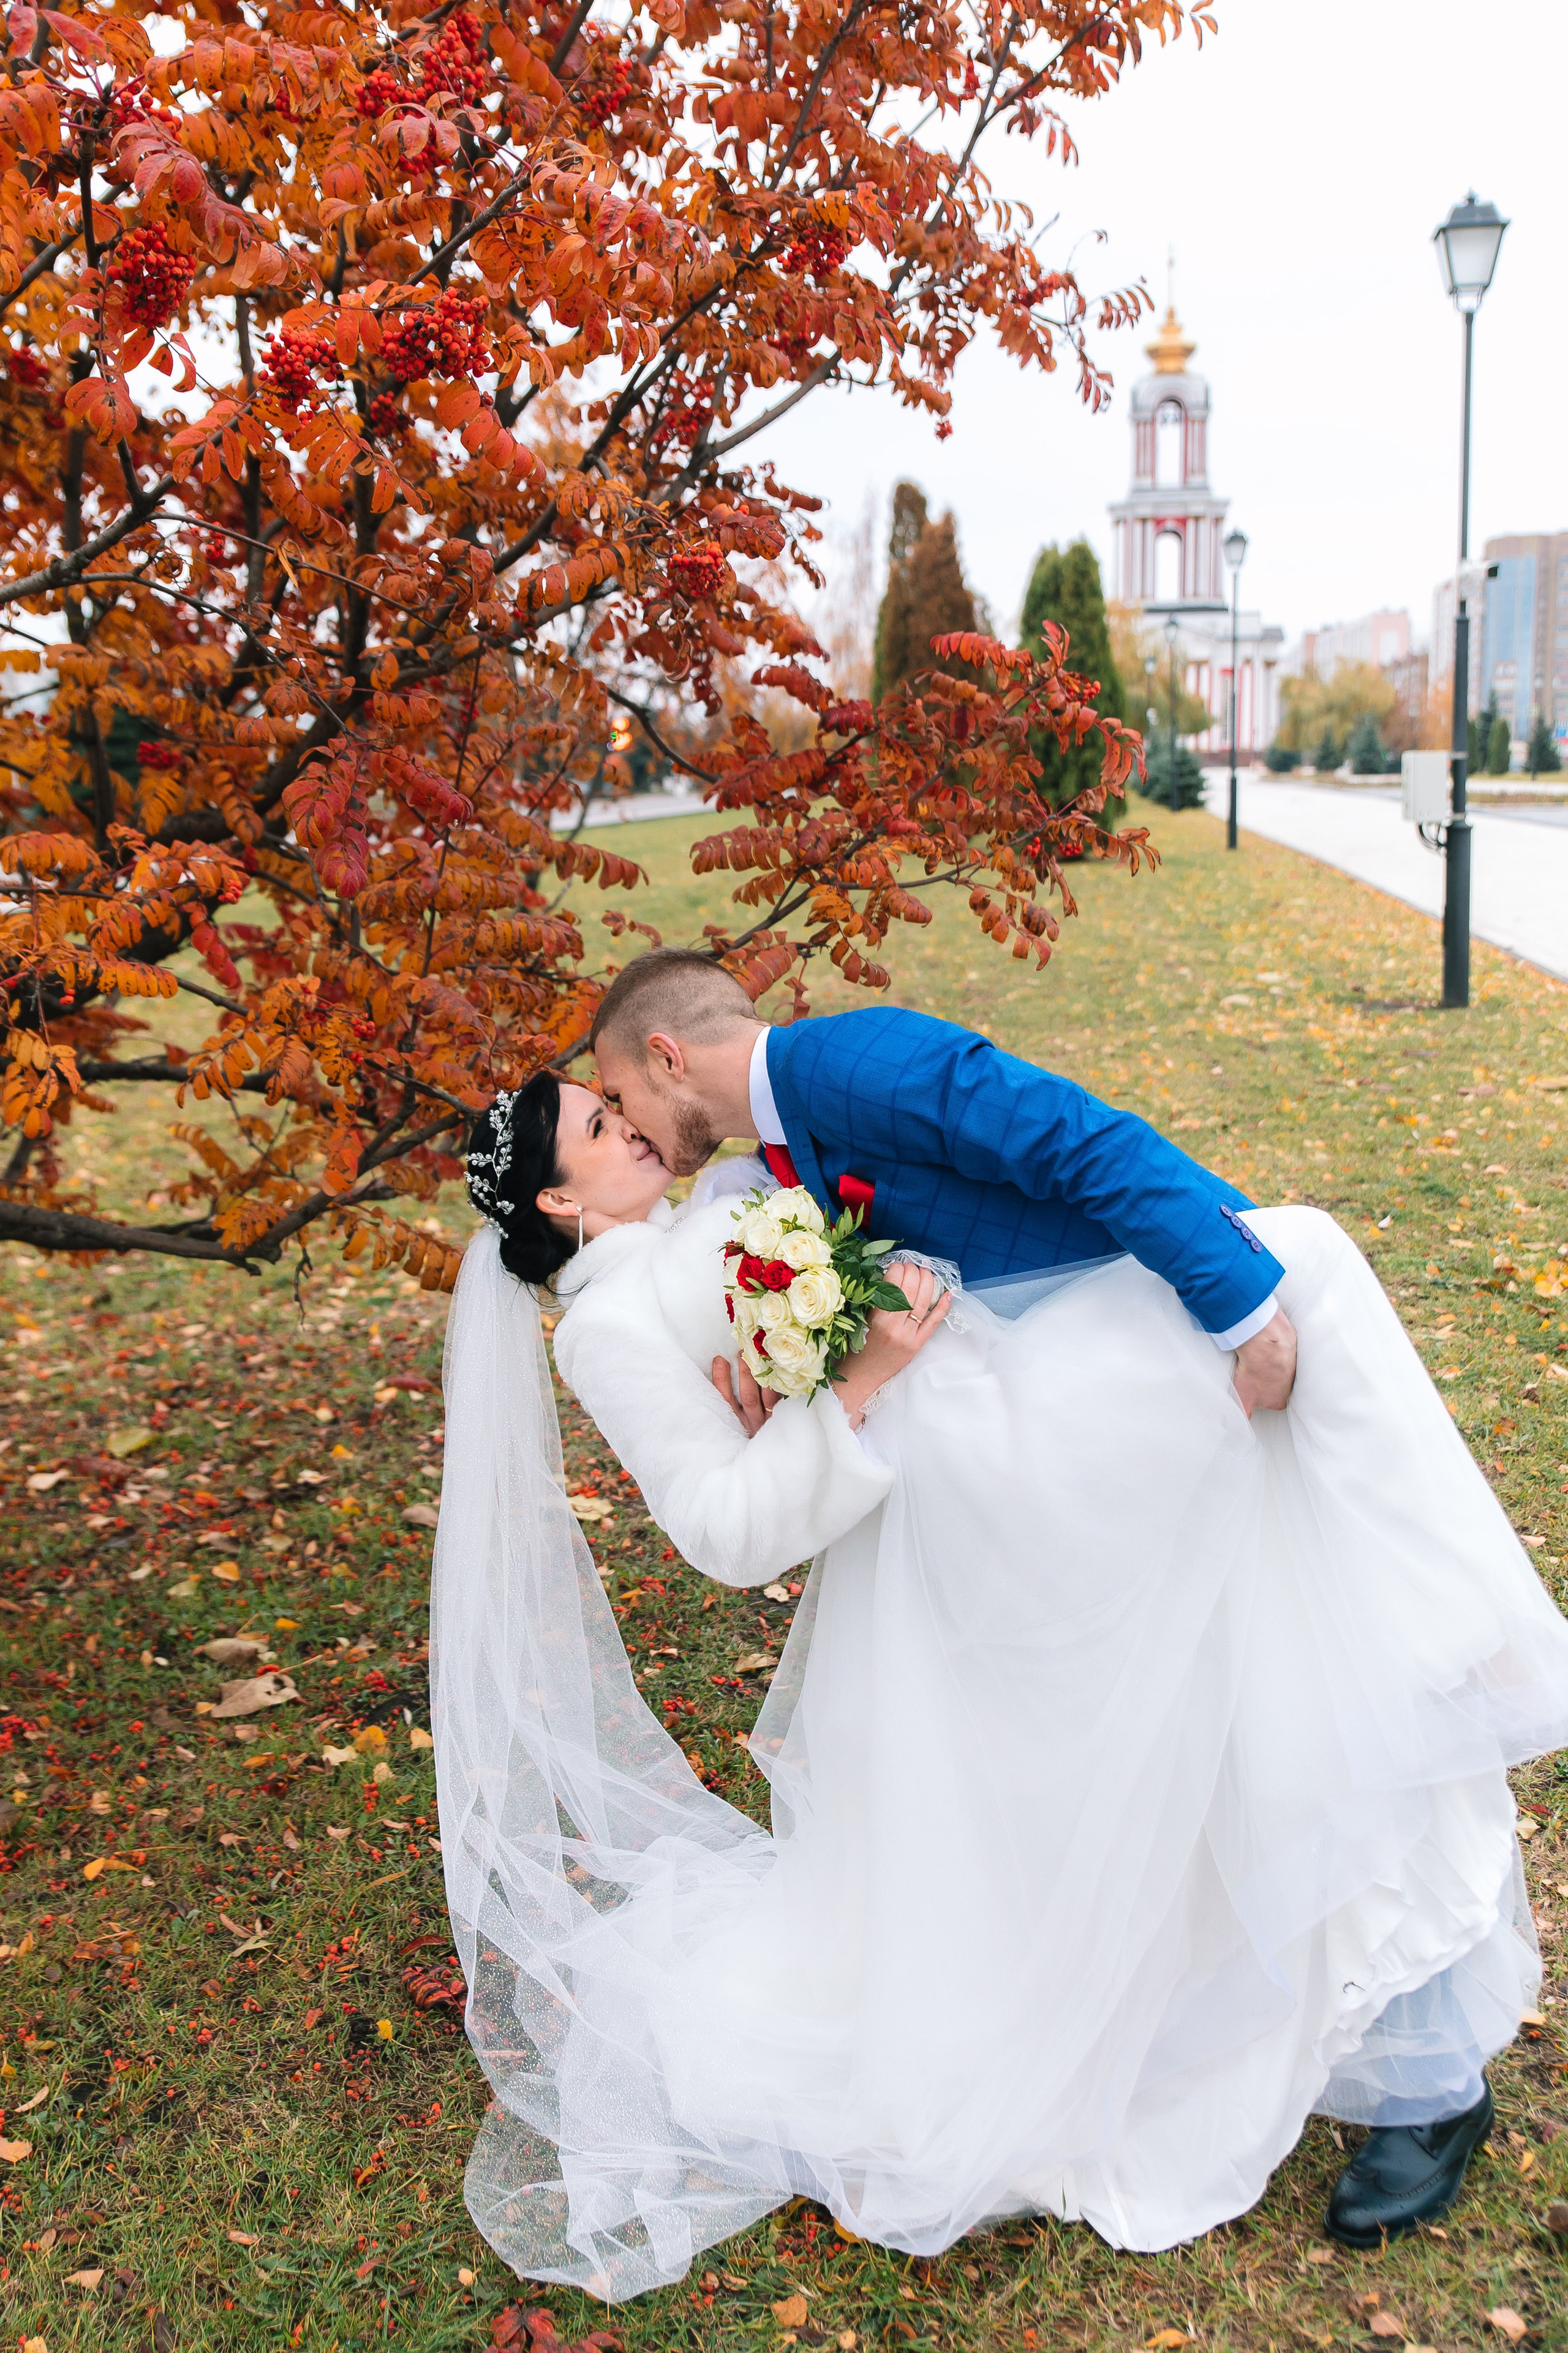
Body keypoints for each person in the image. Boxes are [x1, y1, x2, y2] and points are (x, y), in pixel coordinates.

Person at [431, 1062, 1568, 2304]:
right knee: (1086, 1776)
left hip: (1019, 1450)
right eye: (598, 1128)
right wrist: (854, 1387)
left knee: (1248, 1589)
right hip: (940, 1537)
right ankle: (1259, 2005)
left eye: (617, 1102)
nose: (630, 1126)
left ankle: (1415, 2048)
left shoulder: (726, 1193)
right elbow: (724, 1530)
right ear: (553, 1199)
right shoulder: (607, 1330)